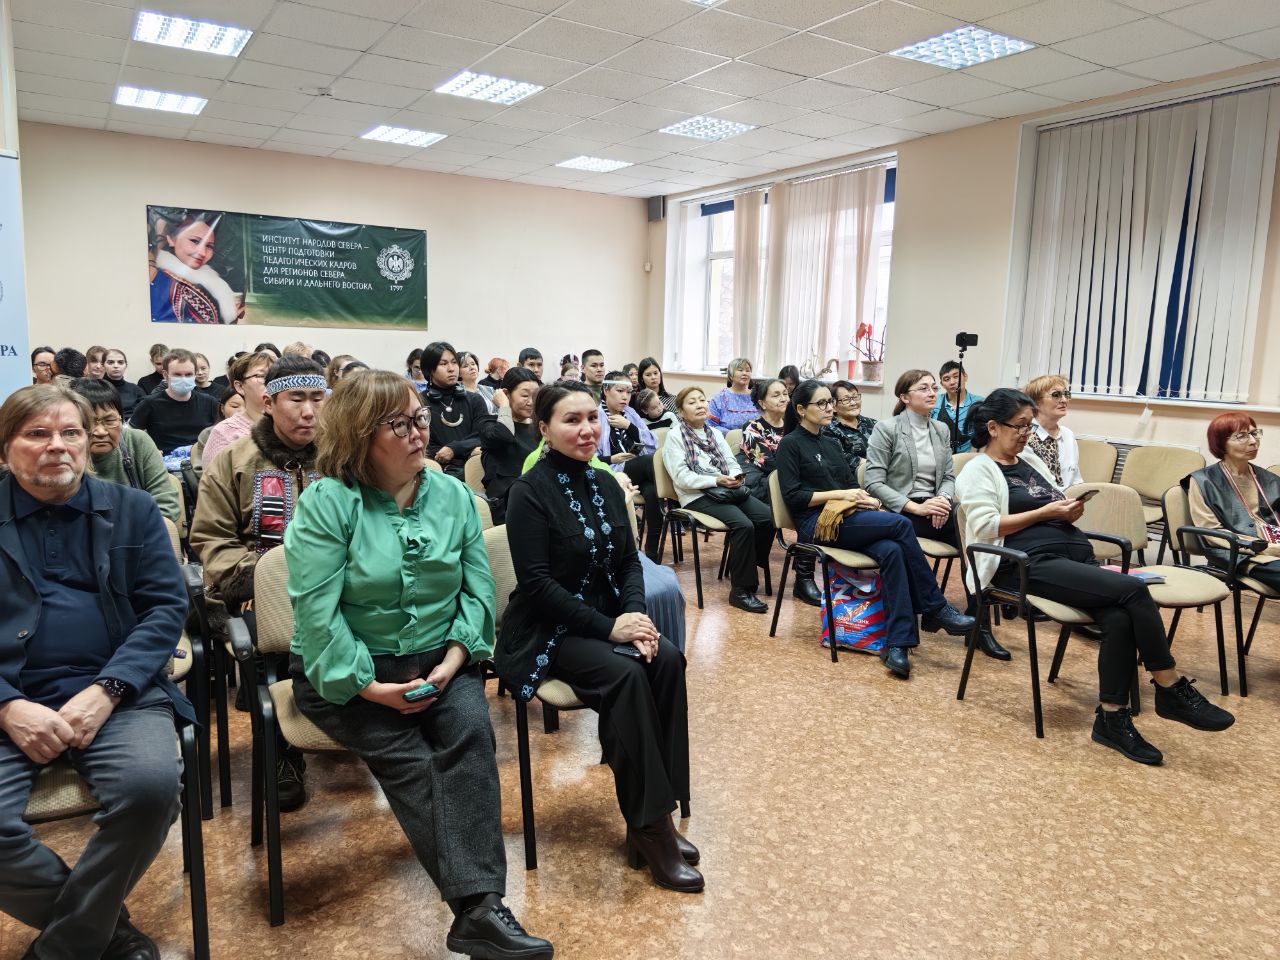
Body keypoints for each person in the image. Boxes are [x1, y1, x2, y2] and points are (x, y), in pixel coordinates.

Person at [285, 370, 553, 959]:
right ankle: (480, 910)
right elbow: (318, 618)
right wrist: (370, 687)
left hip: (440, 659)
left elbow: (479, 592)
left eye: (420, 419)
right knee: (411, 762)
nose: (418, 432)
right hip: (346, 673)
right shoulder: (328, 503)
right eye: (399, 423)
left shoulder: (453, 495)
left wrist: (456, 657)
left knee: (470, 738)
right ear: (359, 434)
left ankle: (477, 916)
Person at [0, 384, 194, 960]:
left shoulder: (132, 508)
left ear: (89, 442)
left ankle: (66, 946)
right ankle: (106, 934)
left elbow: (165, 609)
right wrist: (8, 706)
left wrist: (107, 690)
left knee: (151, 790)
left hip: (119, 693)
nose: (57, 447)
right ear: (6, 447)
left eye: (71, 434)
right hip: (11, 697)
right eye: (38, 434)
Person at [956, 388, 1235, 764]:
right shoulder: (978, 469)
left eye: (1029, 426)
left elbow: (1050, 502)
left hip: (1068, 558)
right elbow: (987, 527)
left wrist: (1068, 511)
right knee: (1133, 591)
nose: (1026, 434)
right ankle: (1170, 686)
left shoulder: (1030, 460)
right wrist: (1047, 514)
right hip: (1021, 564)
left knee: (1119, 618)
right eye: (1019, 427)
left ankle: (1111, 719)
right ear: (992, 427)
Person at [498, 382, 699, 894]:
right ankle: (650, 827)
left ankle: (660, 812)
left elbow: (630, 560)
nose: (587, 429)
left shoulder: (607, 482)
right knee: (627, 673)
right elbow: (538, 586)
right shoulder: (529, 493)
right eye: (571, 420)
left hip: (611, 617)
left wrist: (636, 617)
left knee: (669, 659)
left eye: (592, 417)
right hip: (549, 628)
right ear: (544, 428)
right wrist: (612, 628)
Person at [189, 356, 327, 810]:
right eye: (297, 399)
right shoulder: (233, 460)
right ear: (268, 402)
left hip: (339, 587)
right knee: (280, 637)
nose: (309, 411)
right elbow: (212, 541)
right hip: (257, 591)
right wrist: (267, 580)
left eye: (317, 398)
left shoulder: (342, 458)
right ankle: (285, 749)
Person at [776, 380, 975, 679]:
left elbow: (851, 485)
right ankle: (934, 605)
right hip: (816, 524)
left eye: (831, 401)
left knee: (893, 550)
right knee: (899, 523)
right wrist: (842, 496)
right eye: (822, 403)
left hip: (847, 517)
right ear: (801, 409)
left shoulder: (829, 442)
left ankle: (898, 644)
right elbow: (793, 497)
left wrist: (865, 498)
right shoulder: (790, 444)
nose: (830, 407)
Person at [864, 371, 1009, 661]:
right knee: (902, 536)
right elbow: (872, 482)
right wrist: (916, 507)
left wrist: (942, 499)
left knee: (976, 528)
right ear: (905, 397)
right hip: (902, 510)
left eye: (933, 388)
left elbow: (948, 476)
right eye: (923, 388)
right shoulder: (887, 428)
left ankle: (978, 626)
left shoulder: (940, 429)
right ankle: (935, 610)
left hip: (936, 507)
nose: (932, 393)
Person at [663, 386, 774, 613]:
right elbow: (682, 477)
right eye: (692, 402)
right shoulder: (676, 436)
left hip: (726, 488)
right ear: (682, 412)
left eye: (702, 400)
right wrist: (716, 481)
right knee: (743, 526)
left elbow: (731, 461)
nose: (700, 405)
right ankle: (741, 591)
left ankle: (743, 564)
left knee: (768, 518)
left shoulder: (713, 432)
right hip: (696, 495)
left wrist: (734, 477)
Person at [738, 378, 821, 606]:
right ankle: (799, 575)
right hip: (766, 483)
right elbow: (769, 463)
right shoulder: (753, 427)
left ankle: (805, 573)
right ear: (762, 403)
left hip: (795, 483)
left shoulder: (795, 425)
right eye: (776, 395)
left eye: (785, 393)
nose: (784, 398)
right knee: (804, 506)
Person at [1185, 413, 1280, 592]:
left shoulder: (1270, 479)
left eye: (1254, 433)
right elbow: (1211, 531)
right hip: (1239, 554)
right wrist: (1264, 548)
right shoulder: (1202, 481)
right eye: (1242, 436)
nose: (1253, 441)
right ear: (1221, 443)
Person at [70, 378, 180, 524]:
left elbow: (166, 503)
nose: (101, 431)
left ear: (121, 420)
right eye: (89, 423)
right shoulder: (66, 452)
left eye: (109, 421)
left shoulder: (136, 441)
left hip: (139, 536)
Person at [599, 371, 662, 562]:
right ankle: (677, 491)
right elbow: (589, 458)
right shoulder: (596, 414)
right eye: (619, 391)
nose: (625, 396)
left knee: (652, 492)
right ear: (606, 390)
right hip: (613, 471)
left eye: (628, 392)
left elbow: (652, 444)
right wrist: (612, 459)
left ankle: (651, 554)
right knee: (652, 462)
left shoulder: (631, 414)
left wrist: (629, 426)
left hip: (637, 470)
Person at [421, 341, 497, 481]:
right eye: (443, 364)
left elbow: (483, 436)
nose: (451, 369)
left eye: (454, 362)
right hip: (438, 472)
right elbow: (425, 444)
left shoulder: (475, 400)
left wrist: (454, 448)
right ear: (430, 370)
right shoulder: (420, 403)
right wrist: (468, 449)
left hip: (475, 469)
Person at [149, 210, 242, 324]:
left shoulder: (210, 280)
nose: (202, 252)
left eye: (209, 246)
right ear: (171, 239)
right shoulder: (163, 281)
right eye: (194, 241)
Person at [129, 348, 220, 454]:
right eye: (177, 374)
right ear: (165, 375)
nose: (183, 379)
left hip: (200, 462)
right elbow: (130, 435)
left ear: (195, 374)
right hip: (163, 465)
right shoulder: (149, 404)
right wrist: (148, 451)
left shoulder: (209, 403)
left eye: (188, 374)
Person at [481, 366, 541, 525]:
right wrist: (504, 405)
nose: (531, 402)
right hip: (507, 504)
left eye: (535, 396)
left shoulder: (539, 427)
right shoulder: (489, 424)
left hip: (539, 497)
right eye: (525, 395)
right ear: (506, 394)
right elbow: (504, 434)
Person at [201, 351, 274, 467]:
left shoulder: (288, 424)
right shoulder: (224, 433)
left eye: (276, 376)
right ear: (240, 387)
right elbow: (214, 483)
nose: (272, 382)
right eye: (262, 376)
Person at [1025, 374, 1081, 488]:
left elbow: (1076, 480)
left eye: (1066, 394)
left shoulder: (1068, 434)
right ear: (1035, 403)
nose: (1064, 400)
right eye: (1056, 395)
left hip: (1070, 501)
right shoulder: (1024, 435)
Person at [823, 380, 877, 469]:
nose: (853, 403)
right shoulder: (828, 429)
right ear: (834, 405)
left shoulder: (873, 423)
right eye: (846, 399)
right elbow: (839, 458)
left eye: (855, 397)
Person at [934, 360, 984, 454]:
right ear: (941, 383)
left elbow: (984, 434)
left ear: (965, 377)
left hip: (967, 459)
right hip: (939, 458)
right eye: (946, 379)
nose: (952, 382)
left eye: (956, 376)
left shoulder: (979, 402)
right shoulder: (934, 402)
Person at [707, 358, 758, 434]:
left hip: (757, 441)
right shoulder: (719, 398)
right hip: (727, 442)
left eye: (748, 370)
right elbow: (710, 425)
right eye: (740, 370)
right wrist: (734, 435)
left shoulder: (758, 397)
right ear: (731, 376)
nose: (745, 373)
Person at [102, 348, 146, 418]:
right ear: (103, 365)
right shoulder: (95, 389)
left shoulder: (136, 390)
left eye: (120, 362)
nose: (116, 366)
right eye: (110, 362)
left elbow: (143, 414)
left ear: (126, 365)